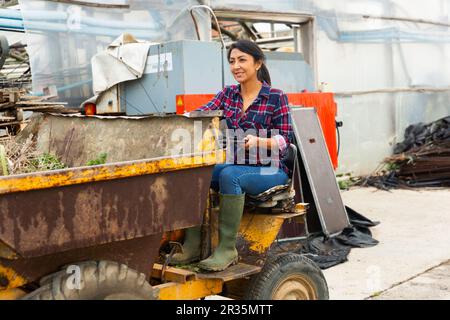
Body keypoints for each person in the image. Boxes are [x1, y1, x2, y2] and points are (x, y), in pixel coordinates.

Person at [171, 39, 294, 271]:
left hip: (271, 169)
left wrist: (260, 141)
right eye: (232, 61)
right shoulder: (228, 94)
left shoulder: (276, 97)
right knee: (196, 172)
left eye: (242, 60)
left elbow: (285, 141)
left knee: (230, 175)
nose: (236, 66)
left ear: (257, 63)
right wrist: (180, 119)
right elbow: (203, 113)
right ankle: (192, 246)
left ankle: (227, 249)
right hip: (238, 165)